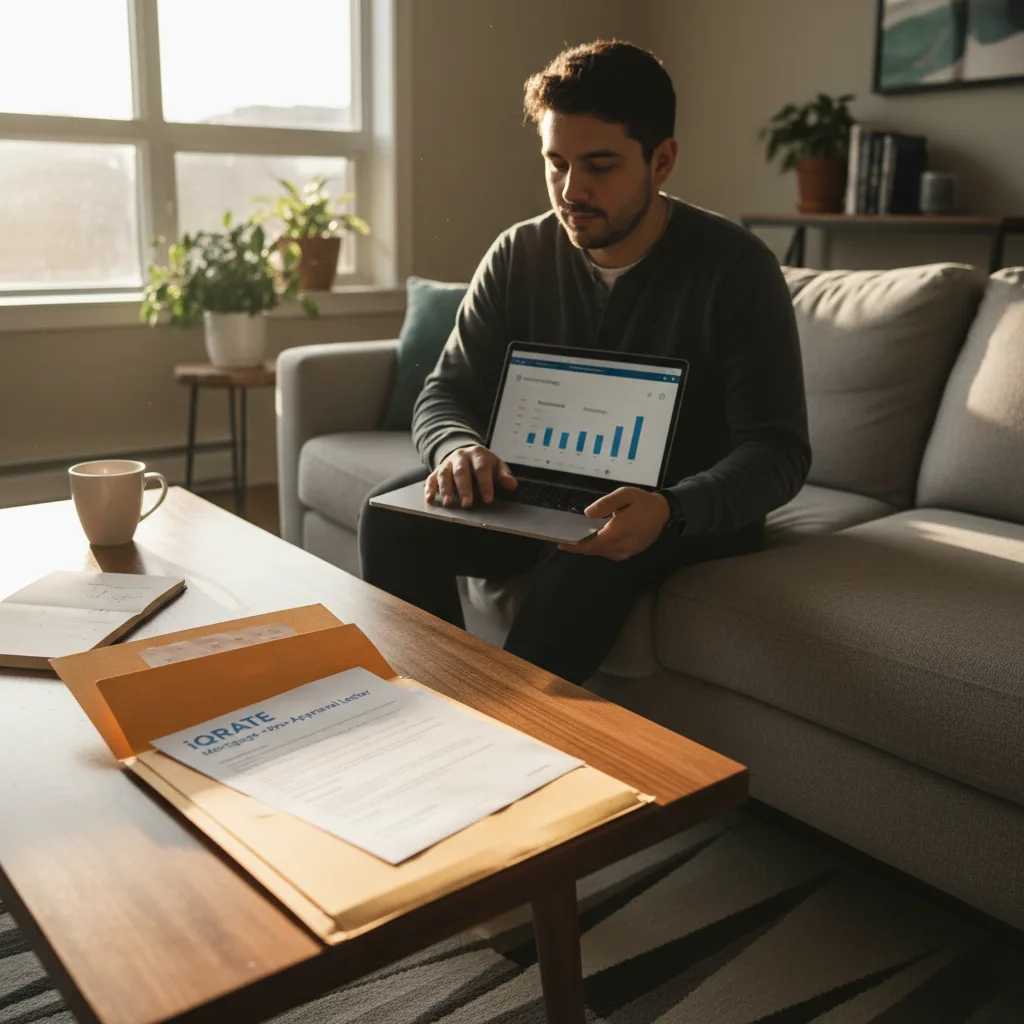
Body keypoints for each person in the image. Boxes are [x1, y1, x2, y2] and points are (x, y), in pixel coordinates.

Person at [360, 40, 810, 685]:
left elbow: (778, 450)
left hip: (681, 510)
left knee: (585, 559)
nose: (572, 190)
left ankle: (520, 745)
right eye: (556, 162)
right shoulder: (519, 252)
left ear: (662, 160)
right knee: (390, 512)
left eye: (600, 165)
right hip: (537, 485)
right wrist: (458, 449)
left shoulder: (735, 268)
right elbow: (445, 392)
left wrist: (674, 508)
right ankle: (436, 705)